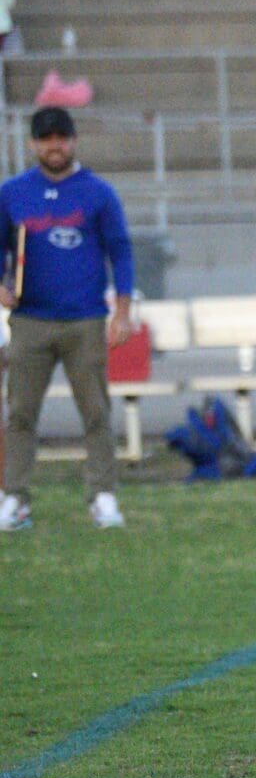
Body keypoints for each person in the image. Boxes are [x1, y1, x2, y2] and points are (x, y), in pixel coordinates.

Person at [0, 107, 132, 532]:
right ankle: (15, 498)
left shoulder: (97, 192)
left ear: (73, 140)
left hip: (85, 319)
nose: (54, 146)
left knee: (95, 412)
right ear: (33, 143)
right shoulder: (13, 192)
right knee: (21, 413)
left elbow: (121, 251)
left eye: (61, 137)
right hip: (30, 320)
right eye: (46, 139)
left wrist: (122, 311)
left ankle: (103, 495)